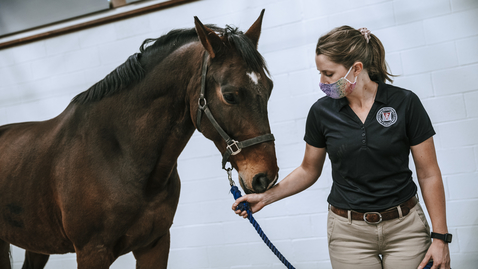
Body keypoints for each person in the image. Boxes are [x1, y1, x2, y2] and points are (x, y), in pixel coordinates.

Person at [232, 26, 451, 269]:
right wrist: (266, 197)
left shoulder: (405, 102)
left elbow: (429, 173)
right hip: (348, 235)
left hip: (405, 227)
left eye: (328, 73)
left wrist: (440, 238)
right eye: (320, 73)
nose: (322, 81)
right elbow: (308, 169)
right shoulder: (321, 112)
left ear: (356, 69)